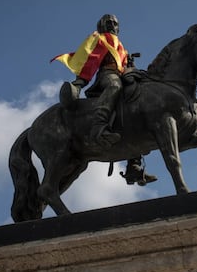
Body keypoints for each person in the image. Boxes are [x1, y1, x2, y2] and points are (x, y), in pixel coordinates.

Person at [51, 14, 157, 184]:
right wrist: (80, 82)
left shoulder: (121, 46)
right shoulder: (98, 38)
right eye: (108, 23)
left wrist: (131, 66)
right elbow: (89, 58)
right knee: (115, 87)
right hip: (107, 76)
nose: (112, 25)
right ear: (101, 25)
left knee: (137, 104)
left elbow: (125, 66)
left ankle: (134, 165)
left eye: (115, 23)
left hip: (123, 76)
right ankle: (99, 126)